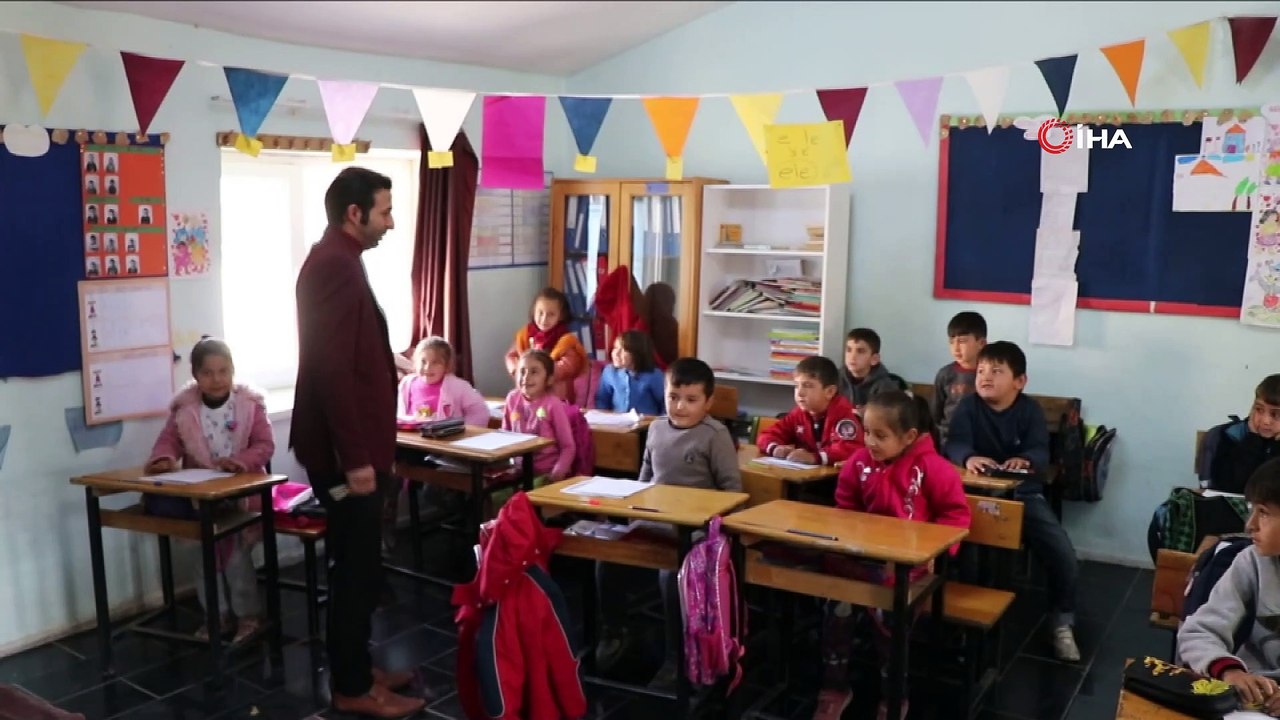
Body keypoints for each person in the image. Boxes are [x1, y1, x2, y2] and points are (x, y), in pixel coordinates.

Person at [290, 166, 424, 717]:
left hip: (356, 448)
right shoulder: (334, 268)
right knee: (356, 571)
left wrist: (380, 361)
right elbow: (330, 372)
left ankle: (357, 664)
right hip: (348, 457)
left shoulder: (341, 260)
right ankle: (350, 688)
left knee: (361, 568)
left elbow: (347, 355)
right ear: (355, 213)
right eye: (386, 211)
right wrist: (356, 461)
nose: (391, 223)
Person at [814, 391, 971, 720]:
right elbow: (845, 509)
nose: (869, 441)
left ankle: (894, 695)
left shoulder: (935, 469)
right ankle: (834, 687)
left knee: (891, 619)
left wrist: (935, 553)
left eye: (880, 435)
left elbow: (955, 517)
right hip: (861, 560)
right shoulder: (858, 463)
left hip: (909, 569)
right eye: (867, 432)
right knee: (836, 609)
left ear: (909, 436)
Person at [596, 357, 742, 690]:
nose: (680, 406)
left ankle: (676, 658)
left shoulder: (714, 435)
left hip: (694, 534)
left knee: (670, 576)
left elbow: (732, 492)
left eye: (691, 400)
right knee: (607, 560)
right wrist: (633, 514)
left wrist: (706, 524)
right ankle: (617, 632)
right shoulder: (657, 428)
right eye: (673, 396)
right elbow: (645, 477)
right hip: (654, 523)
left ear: (708, 401)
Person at [944, 340, 1081, 662]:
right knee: (970, 557)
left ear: (1020, 381)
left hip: (1023, 495)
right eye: (980, 370)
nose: (985, 377)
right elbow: (955, 443)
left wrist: (1025, 459)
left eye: (996, 371)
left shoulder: (1029, 410)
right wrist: (969, 456)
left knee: (1062, 554)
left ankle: (1062, 623)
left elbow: (1039, 450)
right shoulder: (968, 407)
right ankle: (967, 624)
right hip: (976, 495)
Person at [144, 338, 274, 643]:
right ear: (195, 375)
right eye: (208, 373)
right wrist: (163, 459)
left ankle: (248, 617)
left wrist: (240, 462)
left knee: (236, 559)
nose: (216, 380)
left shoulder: (249, 406)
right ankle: (217, 616)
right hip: (201, 498)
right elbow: (168, 441)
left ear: (233, 371)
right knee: (204, 559)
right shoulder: (185, 410)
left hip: (240, 496)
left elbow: (264, 445)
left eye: (223, 371)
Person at [1178, 458, 1280, 715]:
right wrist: (1229, 671)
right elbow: (1198, 631)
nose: (1250, 525)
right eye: (1252, 509)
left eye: (1264, 513)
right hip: (1250, 703)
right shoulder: (1253, 561)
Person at [758, 355, 864, 465]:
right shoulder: (798, 414)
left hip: (833, 479)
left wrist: (815, 457)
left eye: (807, 386)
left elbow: (850, 449)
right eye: (796, 385)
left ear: (830, 392)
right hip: (806, 477)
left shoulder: (844, 415)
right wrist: (775, 448)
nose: (799, 393)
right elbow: (767, 434)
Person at [504, 287, 588, 404]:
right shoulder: (525, 335)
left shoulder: (566, 339)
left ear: (561, 316)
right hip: (527, 392)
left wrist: (543, 372)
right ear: (534, 312)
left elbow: (570, 364)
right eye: (540, 313)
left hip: (557, 396)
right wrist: (518, 369)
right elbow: (511, 356)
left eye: (551, 314)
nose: (544, 319)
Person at [1206, 375, 1280, 494]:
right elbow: (1227, 486)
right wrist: (1252, 439)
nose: (1265, 421)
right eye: (1259, 409)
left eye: (1276, 414)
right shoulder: (1232, 435)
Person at [397, 336, 489, 426]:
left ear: (446, 366)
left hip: (447, 439)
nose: (427, 368)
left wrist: (463, 430)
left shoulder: (458, 386)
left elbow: (479, 412)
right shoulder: (407, 384)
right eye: (423, 361)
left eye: (435, 362)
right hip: (412, 439)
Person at [932, 311, 987, 447]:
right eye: (951, 342)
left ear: (981, 343)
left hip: (979, 441)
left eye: (962, 341)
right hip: (947, 441)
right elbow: (936, 414)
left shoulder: (988, 376)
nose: (956, 348)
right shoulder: (945, 374)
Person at [595, 329, 664, 416]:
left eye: (623, 350)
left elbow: (664, 402)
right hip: (617, 425)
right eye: (615, 348)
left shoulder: (653, 374)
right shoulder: (609, 371)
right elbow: (602, 399)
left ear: (637, 353)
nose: (616, 353)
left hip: (646, 425)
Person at [839, 327, 908, 410]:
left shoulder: (885, 386)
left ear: (874, 359)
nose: (852, 356)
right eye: (849, 350)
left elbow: (887, 419)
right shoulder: (835, 379)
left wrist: (868, 415)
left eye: (860, 351)